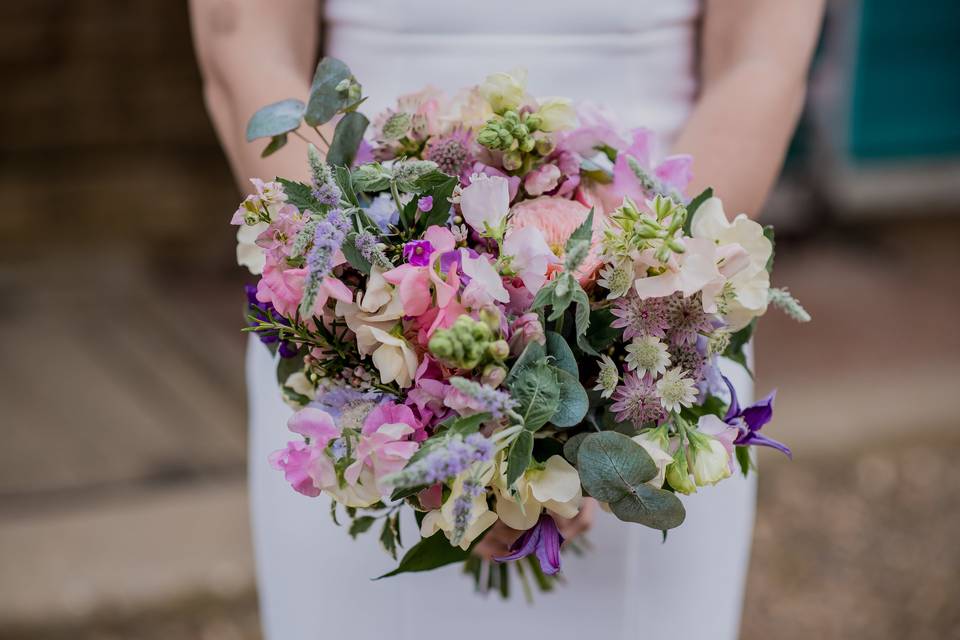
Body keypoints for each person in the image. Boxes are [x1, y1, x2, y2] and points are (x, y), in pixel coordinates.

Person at [189, 1, 824, 638]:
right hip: (366, 344)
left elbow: (761, 64)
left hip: (653, 340)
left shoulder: (652, 323)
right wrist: (368, 292)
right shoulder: (365, 310)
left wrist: (642, 316)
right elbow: (240, 40)